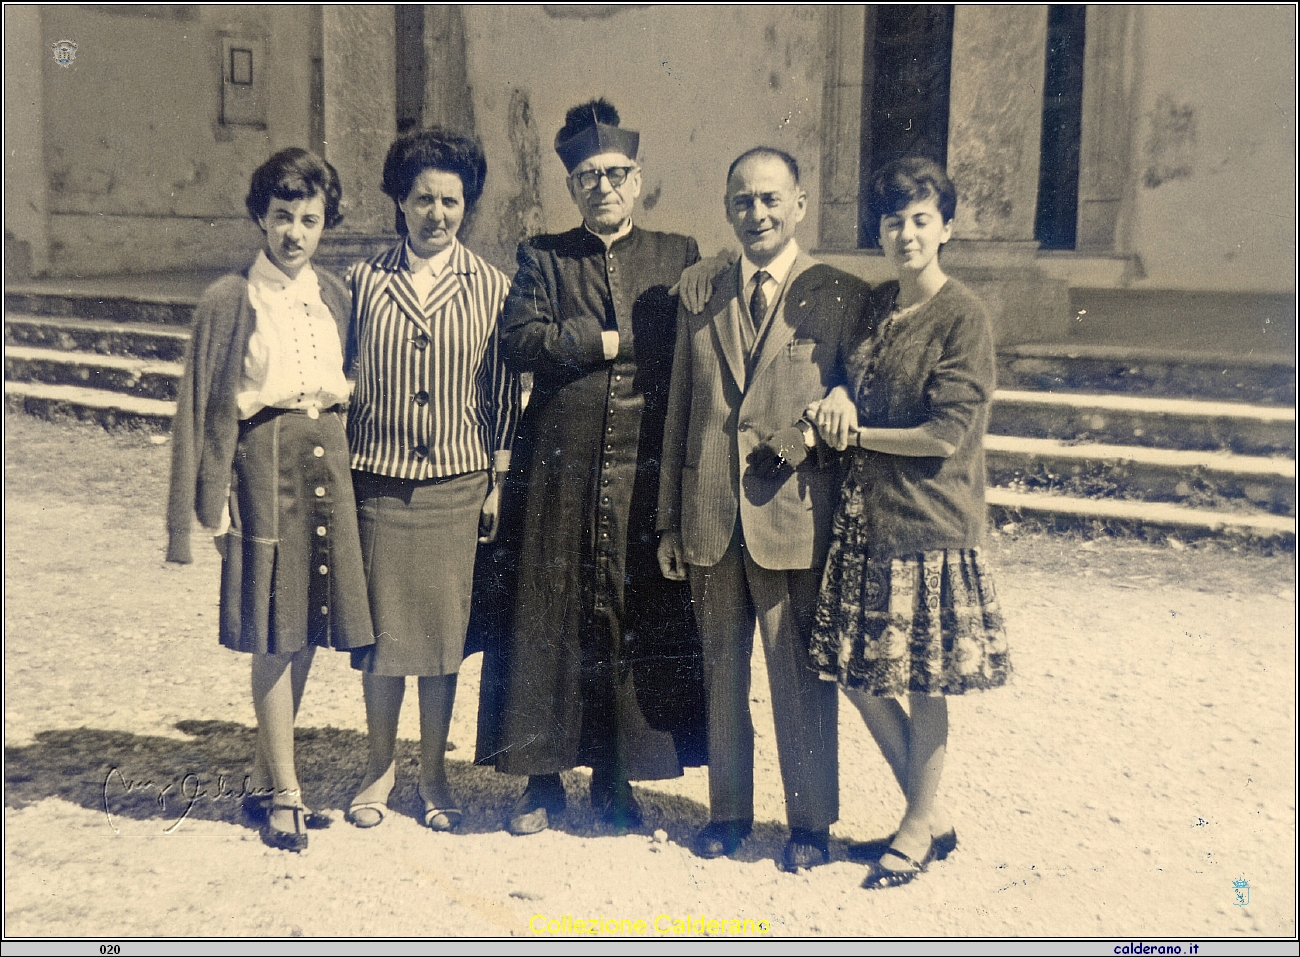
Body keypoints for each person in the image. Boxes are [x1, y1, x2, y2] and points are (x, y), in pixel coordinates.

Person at [476, 99, 707, 836]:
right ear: (572, 189)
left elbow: (691, 347)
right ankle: (540, 781)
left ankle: (616, 779)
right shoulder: (544, 256)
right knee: (544, 610)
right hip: (556, 468)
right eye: (587, 177)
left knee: (628, 611)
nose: (603, 187)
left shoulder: (677, 254)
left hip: (642, 468)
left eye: (616, 174)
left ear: (639, 181)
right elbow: (520, 340)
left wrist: (575, 342)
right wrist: (608, 341)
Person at [657, 147, 869, 871]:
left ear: (802, 205)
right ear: (727, 209)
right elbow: (682, 412)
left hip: (791, 517)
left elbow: (862, 389)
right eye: (743, 200)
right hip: (712, 514)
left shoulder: (840, 294)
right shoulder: (703, 294)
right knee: (722, 673)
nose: (758, 213)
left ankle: (808, 822)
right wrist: (668, 519)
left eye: (773, 199)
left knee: (797, 675)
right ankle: (728, 811)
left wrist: (843, 400)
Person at [804, 156, 1011, 889]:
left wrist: (854, 435)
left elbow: (943, 434)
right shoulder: (875, 307)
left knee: (924, 681)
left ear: (946, 227)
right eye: (894, 219)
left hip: (930, 523)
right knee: (858, 671)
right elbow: (844, 376)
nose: (906, 232)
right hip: (866, 522)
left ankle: (917, 825)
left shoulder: (963, 315)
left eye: (922, 218)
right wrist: (837, 395)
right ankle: (931, 814)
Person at [166, 148, 374, 852]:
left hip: (329, 462)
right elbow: (204, 403)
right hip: (264, 465)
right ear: (260, 216)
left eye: (309, 219)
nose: (294, 232)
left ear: (326, 225)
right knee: (274, 629)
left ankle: (264, 779)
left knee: (310, 623)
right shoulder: (232, 298)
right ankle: (286, 788)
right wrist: (210, 503)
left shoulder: (335, 295)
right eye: (281, 216)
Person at [343, 128, 520, 832]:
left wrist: (498, 478)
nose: (437, 214)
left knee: (444, 638)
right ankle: (378, 766)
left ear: (466, 206)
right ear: (399, 202)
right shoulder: (363, 283)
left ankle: (436, 773)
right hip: (379, 481)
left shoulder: (492, 287)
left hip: (456, 481)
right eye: (423, 200)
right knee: (383, 635)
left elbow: (505, 391)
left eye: (450, 201)